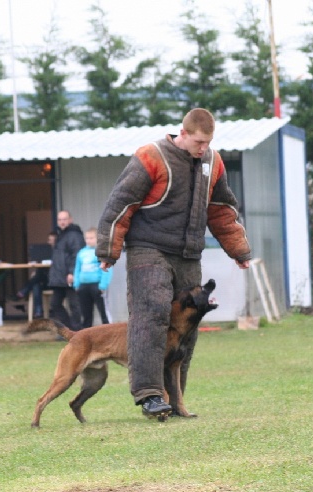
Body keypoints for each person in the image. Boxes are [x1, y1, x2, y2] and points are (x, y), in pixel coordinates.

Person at [96, 108, 251, 419]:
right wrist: (108, 252)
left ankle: (176, 402)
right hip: (148, 250)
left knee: (188, 324)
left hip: (189, 255)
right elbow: (120, 203)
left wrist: (239, 251)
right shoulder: (151, 156)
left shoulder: (213, 162)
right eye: (199, 142)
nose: (203, 148)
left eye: (208, 142)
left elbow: (222, 209)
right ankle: (150, 395)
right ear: (183, 133)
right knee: (151, 315)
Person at [48, 210, 85, 330]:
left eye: (64, 219)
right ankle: (69, 330)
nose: (62, 222)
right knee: (55, 304)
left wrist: (72, 272)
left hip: (69, 276)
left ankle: (76, 330)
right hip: (60, 277)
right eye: (60, 219)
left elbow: (77, 255)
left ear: (70, 220)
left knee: (74, 305)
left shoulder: (74, 235)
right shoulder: (61, 235)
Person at [74, 227, 112, 328]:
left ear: (97, 239)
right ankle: (86, 335)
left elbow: (107, 269)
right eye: (87, 238)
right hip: (83, 286)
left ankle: (108, 331)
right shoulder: (81, 253)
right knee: (86, 313)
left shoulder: (101, 252)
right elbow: (77, 269)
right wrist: (76, 284)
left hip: (97, 285)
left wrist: (103, 285)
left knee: (103, 312)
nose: (89, 240)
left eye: (91, 238)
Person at [15, 231, 56, 319]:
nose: (51, 242)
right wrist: (36, 262)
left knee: (38, 276)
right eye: (49, 240)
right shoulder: (44, 253)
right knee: (36, 285)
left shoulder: (58, 253)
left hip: (54, 282)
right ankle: (38, 311)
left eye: (53, 240)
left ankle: (23, 291)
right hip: (44, 282)